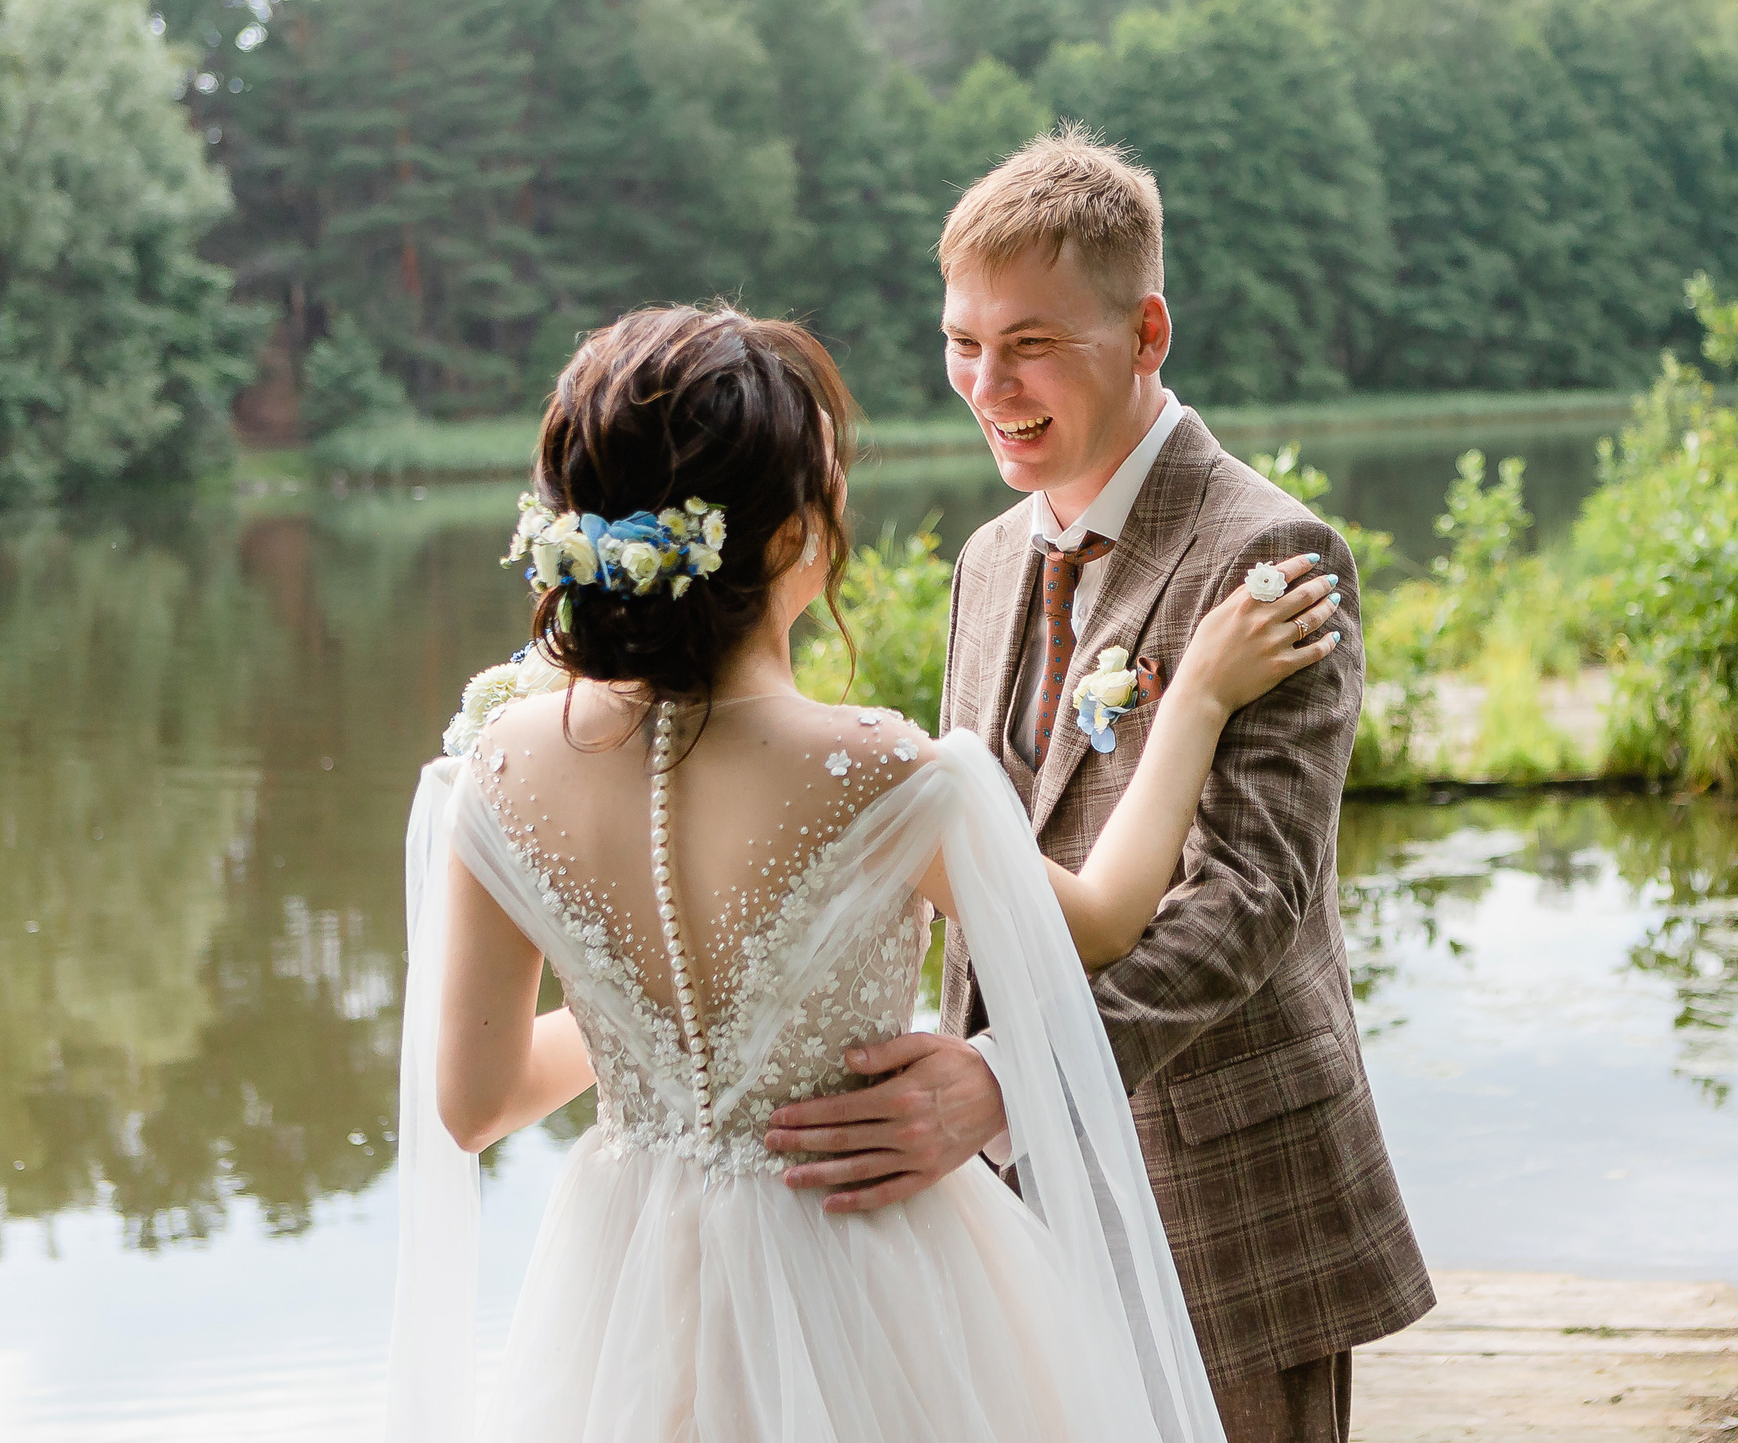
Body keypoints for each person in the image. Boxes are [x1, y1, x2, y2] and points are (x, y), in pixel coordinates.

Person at [388, 302, 1345, 1441]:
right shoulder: (877, 771)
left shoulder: (495, 769)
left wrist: (667, 1032)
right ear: (796, 536)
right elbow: (1095, 922)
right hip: (861, 1250)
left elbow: (475, 1100)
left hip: (627, 1280)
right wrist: (1192, 700)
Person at [764, 130, 1434, 1443]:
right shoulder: (987, 559)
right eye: (962, 340)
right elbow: (978, 858)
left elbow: (1247, 897)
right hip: (1010, 1196)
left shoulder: (1271, 552)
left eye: (1030, 342)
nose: (984, 381)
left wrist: (1009, 1082)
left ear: (1147, 331)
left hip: (1222, 1181)